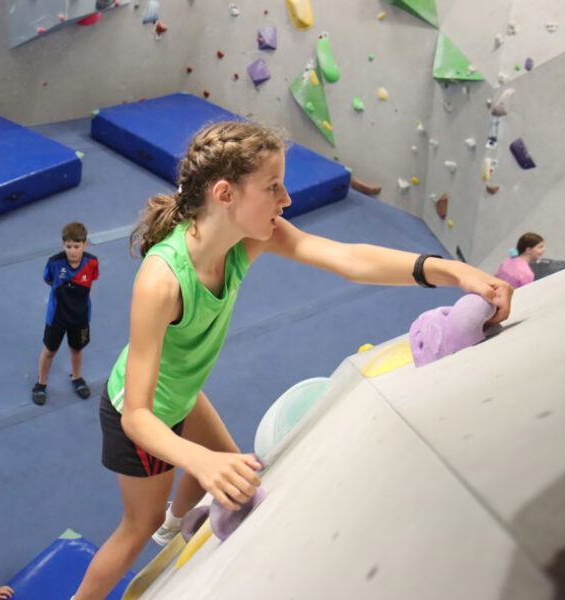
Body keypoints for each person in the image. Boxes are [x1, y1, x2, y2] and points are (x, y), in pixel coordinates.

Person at [71, 122, 513, 600]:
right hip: (142, 412)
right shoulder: (162, 279)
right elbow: (136, 415)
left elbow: (347, 257)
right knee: (141, 523)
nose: (286, 200)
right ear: (225, 194)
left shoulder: (249, 237)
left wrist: (451, 270)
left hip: (182, 390)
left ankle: (179, 524)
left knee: (224, 472)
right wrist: (197, 458)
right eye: (272, 187)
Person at [32, 222, 100, 405]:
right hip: (57, 317)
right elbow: (48, 280)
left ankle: (77, 378)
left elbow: (90, 283)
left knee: (77, 349)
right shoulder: (54, 262)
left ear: (84, 245)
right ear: (63, 245)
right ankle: (41, 383)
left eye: (76, 246)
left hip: (81, 317)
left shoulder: (92, 262)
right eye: (68, 246)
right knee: (49, 351)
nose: (72, 251)